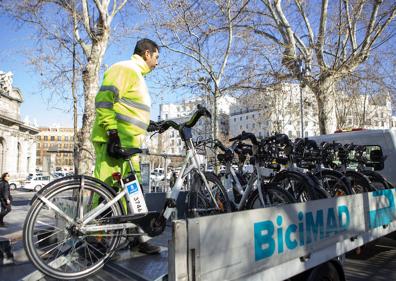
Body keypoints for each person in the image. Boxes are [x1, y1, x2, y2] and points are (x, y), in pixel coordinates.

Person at [91, 38, 160, 254]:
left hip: (131, 147)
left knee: (134, 194)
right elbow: (103, 100)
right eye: (156, 57)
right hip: (115, 143)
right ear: (146, 54)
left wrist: (153, 124)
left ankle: (137, 240)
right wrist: (112, 133)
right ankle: (94, 240)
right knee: (105, 191)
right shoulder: (125, 68)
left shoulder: (136, 75)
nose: (157, 63)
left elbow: (130, 111)